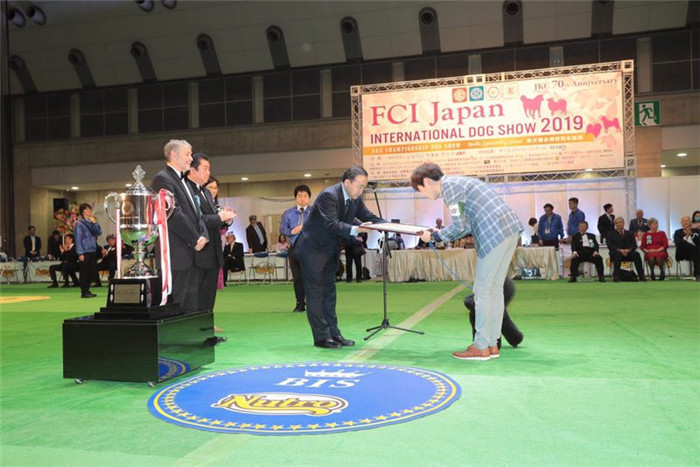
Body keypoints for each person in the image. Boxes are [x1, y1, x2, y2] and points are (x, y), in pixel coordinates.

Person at [412, 163, 522, 361]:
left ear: (426, 182)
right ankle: (491, 343)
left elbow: (459, 226)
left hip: (493, 234)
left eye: (420, 189)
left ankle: (481, 346)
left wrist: (434, 237)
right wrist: (438, 233)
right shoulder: (459, 182)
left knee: (483, 290)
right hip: (509, 230)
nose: (423, 194)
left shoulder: (450, 188)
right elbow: (466, 224)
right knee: (494, 290)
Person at [293, 165, 384, 349]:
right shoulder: (329, 196)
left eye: (364, 187)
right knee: (316, 295)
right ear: (347, 182)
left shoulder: (354, 198)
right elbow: (332, 225)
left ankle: (334, 334)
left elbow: (368, 216)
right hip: (312, 252)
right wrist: (357, 229)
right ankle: (321, 337)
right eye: (360, 186)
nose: (362, 190)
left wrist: (391, 226)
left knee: (329, 294)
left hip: (329, 251)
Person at [151, 139, 209, 312]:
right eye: (187, 154)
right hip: (175, 253)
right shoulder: (163, 179)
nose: (191, 158)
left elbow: (197, 213)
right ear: (173, 155)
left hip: (190, 252)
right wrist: (195, 238)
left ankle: (193, 329)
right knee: (176, 300)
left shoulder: (184, 181)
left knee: (191, 301)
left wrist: (203, 234)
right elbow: (173, 214)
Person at [188, 153, 236, 318]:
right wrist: (219, 217)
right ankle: (198, 324)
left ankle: (207, 323)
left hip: (214, 250)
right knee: (198, 292)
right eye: (205, 168)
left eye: (209, 169)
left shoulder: (206, 193)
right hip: (200, 251)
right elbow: (196, 219)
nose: (208, 173)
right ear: (193, 169)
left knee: (209, 292)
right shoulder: (189, 191)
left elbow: (214, 218)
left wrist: (225, 219)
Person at [464, 277, 523, 350]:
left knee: (480, 314)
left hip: (493, 286)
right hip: (502, 285)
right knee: (499, 314)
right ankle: (513, 338)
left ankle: (487, 344)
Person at [280, 184, 311, 312]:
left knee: (311, 277)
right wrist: (293, 231)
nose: (302, 198)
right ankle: (300, 303)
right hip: (294, 248)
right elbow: (283, 229)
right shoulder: (288, 213)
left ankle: (313, 303)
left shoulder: (316, 212)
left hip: (311, 249)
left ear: (309, 198)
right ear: (295, 198)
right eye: (299, 196)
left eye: (305, 196)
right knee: (297, 277)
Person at [74, 203, 102, 298]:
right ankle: (84, 291)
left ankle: (87, 289)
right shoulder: (79, 224)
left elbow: (98, 232)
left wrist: (94, 223)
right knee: (84, 272)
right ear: (83, 212)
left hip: (92, 250)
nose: (89, 211)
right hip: (84, 251)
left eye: (90, 209)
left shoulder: (91, 222)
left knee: (91, 271)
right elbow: (78, 239)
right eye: (87, 209)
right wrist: (80, 253)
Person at [607, 217, 646, 282]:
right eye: (617, 223)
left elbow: (634, 245)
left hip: (628, 252)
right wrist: (620, 250)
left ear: (623, 223)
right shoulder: (610, 234)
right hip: (616, 253)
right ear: (615, 224)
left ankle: (641, 276)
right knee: (617, 254)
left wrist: (628, 250)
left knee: (636, 254)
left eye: (620, 222)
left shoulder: (630, 233)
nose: (619, 224)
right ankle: (616, 276)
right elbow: (610, 245)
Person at [673, 215, 700, 281]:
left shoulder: (696, 231)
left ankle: (697, 274)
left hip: (695, 253)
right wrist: (687, 236)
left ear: (690, 222)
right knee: (695, 250)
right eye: (683, 221)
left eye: (687, 221)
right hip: (683, 253)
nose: (685, 222)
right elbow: (678, 243)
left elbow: (699, 242)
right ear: (681, 223)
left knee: (696, 254)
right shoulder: (677, 232)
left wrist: (691, 234)